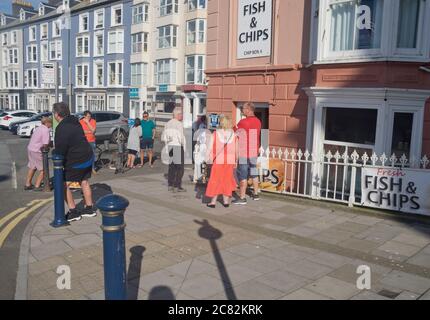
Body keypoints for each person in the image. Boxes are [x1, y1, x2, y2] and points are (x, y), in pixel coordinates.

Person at [53, 102, 96, 222]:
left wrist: (56, 155)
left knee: (63, 184)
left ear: (57, 114)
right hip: (87, 156)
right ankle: (89, 209)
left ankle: (73, 212)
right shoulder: (75, 121)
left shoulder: (61, 128)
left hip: (76, 160)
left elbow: (60, 149)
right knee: (84, 181)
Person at [205, 115, 237, 208]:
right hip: (229, 161)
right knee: (226, 180)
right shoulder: (233, 135)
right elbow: (236, 150)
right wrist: (236, 161)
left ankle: (213, 202)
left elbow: (209, 148)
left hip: (218, 160)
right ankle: (226, 201)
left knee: (216, 179)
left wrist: (207, 158)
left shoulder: (215, 134)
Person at [233, 102, 262, 205]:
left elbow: (236, 134)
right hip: (254, 151)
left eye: (243, 108)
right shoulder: (258, 121)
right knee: (254, 173)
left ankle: (242, 197)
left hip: (244, 153)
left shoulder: (243, 122)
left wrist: (234, 128)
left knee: (243, 175)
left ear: (249, 110)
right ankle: (256, 194)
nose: (242, 110)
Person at [161, 107, 186, 192]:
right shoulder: (179, 124)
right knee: (180, 168)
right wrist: (184, 147)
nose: (182, 116)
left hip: (170, 146)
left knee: (171, 167)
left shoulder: (167, 123)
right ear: (178, 115)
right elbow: (181, 137)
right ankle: (177, 185)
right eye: (181, 114)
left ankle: (170, 184)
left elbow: (163, 137)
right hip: (178, 146)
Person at [24, 116, 52, 191]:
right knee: (44, 169)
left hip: (30, 148)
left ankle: (28, 184)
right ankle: (37, 185)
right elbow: (45, 144)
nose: (51, 124)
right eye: (50, 122)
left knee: (32, 167)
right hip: (37, 150)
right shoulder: (45, 130)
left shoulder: (39, 128)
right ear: (47, 123)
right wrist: (49, 147)